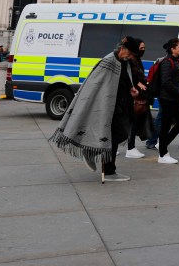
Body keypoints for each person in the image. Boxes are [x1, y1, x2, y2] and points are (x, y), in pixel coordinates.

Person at [49, 37, 140, 182]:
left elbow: (123, 82)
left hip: (120, 106)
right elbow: (95, 85)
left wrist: (131, 91)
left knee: (118, 136)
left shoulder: (124, 62)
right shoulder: (108, 61)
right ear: (122, 49)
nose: (130, 57)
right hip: (106, 106)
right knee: (112, 138)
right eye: (129, 53)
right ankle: (108, 170)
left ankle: (93, 154)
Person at [155, 37, 179, 164]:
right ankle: (162, 154)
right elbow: (166, 82)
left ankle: (162, 144)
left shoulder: (178, 60)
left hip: (175, 98)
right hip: (167, 98)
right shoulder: (167, 62)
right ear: (172, 49)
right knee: (165, 125)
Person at [124, 38, 153, 159]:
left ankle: (130, 146)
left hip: (137, 94)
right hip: (133, 95)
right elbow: (132, 76)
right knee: (132, 122)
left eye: (144, 48)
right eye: (141, 48)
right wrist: (139, 84)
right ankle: (130, 148)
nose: (143, 50)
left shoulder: (136, 59)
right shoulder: (131, 60)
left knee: (135, 121)